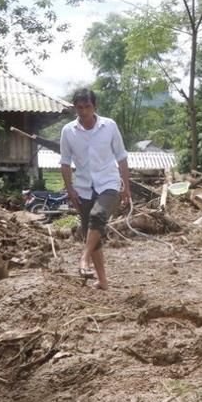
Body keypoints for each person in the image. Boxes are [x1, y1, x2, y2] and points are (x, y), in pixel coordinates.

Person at [60, 88, 130, 292]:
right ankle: (103, 282)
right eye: (79, 107)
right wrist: (70, 189)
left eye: (87, 106)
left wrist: (126, 186)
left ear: (94, 106)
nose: (84, 111)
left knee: (98, 216)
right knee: (93, 234)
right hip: (82, 187)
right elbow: (65, 163)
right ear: (75, 108)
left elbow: (122, 156)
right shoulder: (68, 131)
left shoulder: (109, 126)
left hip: (109, 182)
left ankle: (84, 258)